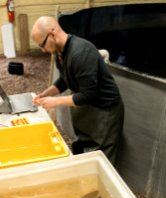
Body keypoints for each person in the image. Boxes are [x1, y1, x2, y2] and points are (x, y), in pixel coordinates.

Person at [31, 16, 124, 166]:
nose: (43, 50)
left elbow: (88, 95)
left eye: (42, 44)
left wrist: (55, 102)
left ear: (52, 33)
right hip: (89, 108)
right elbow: (64, 80)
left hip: (105, 110)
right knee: (82, 150)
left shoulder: (80, 53)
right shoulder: (60, 52)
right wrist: (46, 94)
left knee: (100, 162)